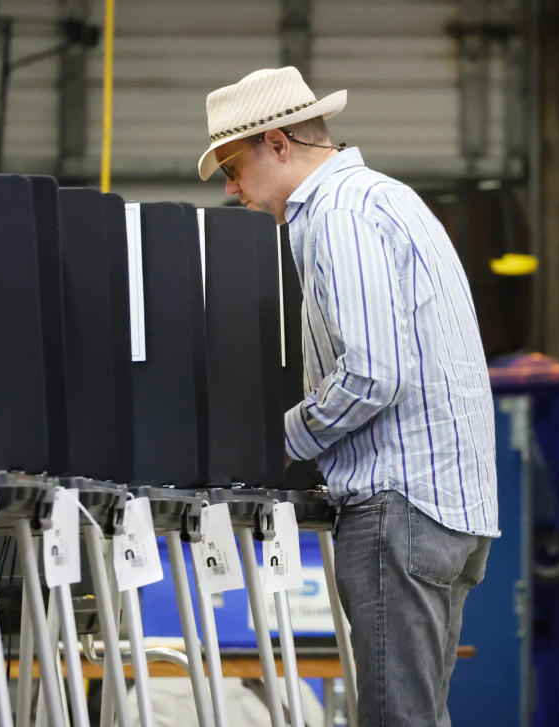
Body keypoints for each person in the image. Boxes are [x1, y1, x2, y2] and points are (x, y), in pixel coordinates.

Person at [198, 66, 500, 727]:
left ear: (277, 143)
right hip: (449, 505)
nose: (231, 188)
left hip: (401, 506)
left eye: (233, 165)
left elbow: (372, 373)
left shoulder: (335, 214)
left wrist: (275, 443)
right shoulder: (386, 197)